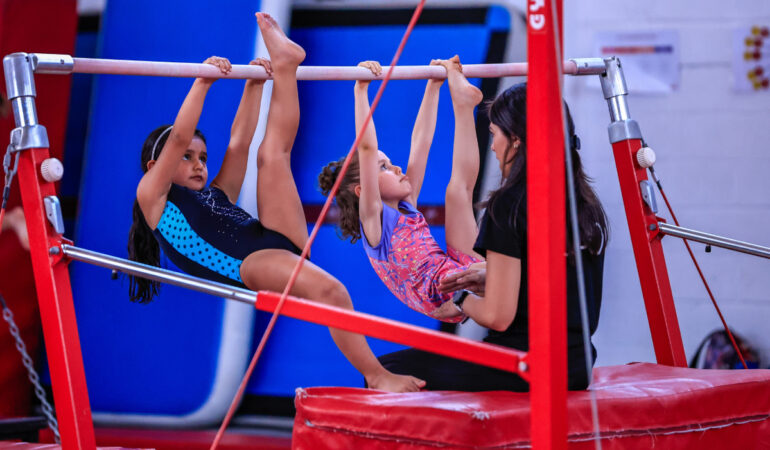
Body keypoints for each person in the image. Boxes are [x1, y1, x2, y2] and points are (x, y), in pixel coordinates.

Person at [126, 13, 424, 393]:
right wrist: (202, 83)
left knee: (272, 155)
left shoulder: (215, 193)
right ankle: (376, 374)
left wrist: (253, 84)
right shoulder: (154, 199)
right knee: (332, 292)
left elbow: (239, 142)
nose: (199, 164)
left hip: (275, 238)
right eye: (188, 157)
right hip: (248, 266)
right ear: (156, 166)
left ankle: (284, 66)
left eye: (202, 157)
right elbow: (180, 135)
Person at [379, 83, 608, 391]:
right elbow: (555, 279)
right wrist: (490, 276)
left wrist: (456, 295)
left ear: (515, 139)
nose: (493, 146)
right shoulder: (585, 202)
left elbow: (497, 317)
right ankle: (463, 107)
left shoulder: (511, 205)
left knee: (385, 369)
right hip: (578, 365)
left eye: (494, 135)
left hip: (525, 366)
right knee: (458, 192)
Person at [318, 56, 483, 323]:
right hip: (445, 295)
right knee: (500, 278)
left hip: (454, 273)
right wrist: (360, 89)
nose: (396, 169)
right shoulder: (375, 222)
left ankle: (463, 105)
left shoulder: (408, 206)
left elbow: (421, 142)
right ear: (364, 190)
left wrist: (433, 85)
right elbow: (368, 149)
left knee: (459, 190)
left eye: (391, 163)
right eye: (384, 167)